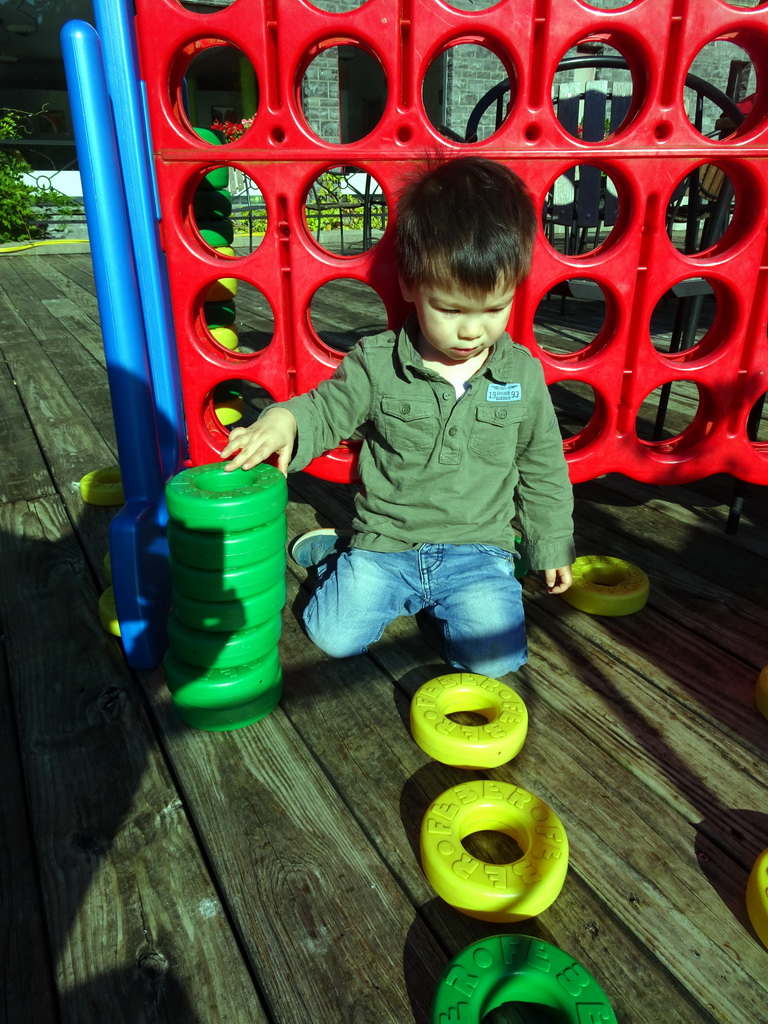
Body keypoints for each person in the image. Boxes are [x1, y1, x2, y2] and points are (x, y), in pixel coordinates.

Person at [220, 156, 574, 677]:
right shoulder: (376, 361)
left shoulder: (522, 375)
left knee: (496, 659)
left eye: (494, 308)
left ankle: (440, 600)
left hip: (478, 550)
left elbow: (543, 465)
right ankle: (337, 561)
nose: (472, 331)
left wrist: (549, 543)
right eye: (451, 310)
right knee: (334, 635)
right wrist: (285, 421)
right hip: (385, 544)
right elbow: (326, 408)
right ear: (410, 284)